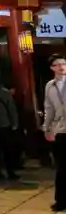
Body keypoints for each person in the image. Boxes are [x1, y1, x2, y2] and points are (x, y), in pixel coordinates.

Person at [42, 54, 66, 212]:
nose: (62, 67)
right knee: (62, 168)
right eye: (57, 65)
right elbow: (48, 108)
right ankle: (62, 201)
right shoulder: (49, 86)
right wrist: (46, 127)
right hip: (60, 129)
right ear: (52, 68)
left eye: (64, 64)